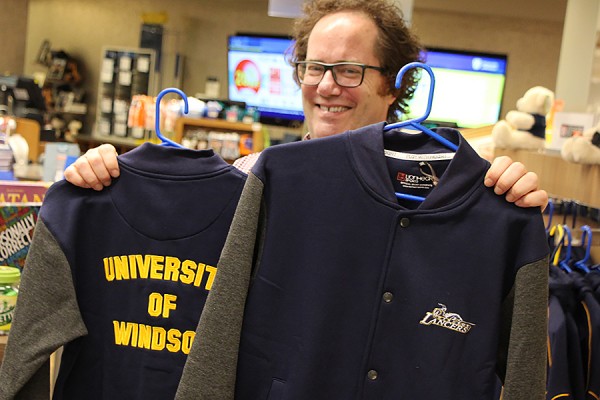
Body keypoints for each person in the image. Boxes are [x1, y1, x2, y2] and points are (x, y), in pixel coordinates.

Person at [64, 0, 548, 210]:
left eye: (350, 71)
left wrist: (511, 199)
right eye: (314, 68)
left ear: (396, 87)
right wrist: (106, 176)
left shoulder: (443, 187)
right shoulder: (252, 175)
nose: (326, 86)